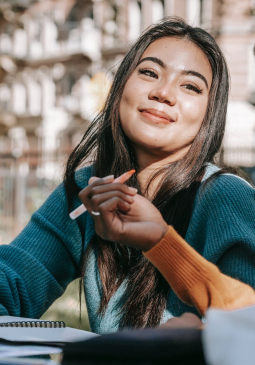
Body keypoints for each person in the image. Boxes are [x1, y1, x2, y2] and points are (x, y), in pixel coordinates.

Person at [0, 17, 255, 335]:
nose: (163, 92)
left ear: (210, 115)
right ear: (120, 88)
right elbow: (16, 279)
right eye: (149, 72)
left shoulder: (226, 197)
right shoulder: (87, 189)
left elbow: (248, 324)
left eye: (190, 86)